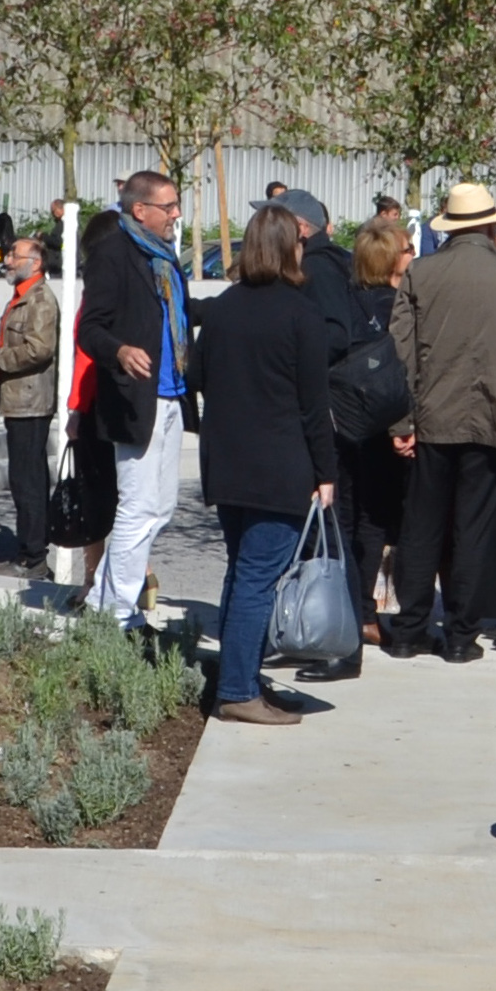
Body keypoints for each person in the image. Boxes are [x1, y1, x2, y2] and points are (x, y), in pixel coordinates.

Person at [177, 207, 341, 718]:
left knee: (241, 572)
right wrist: (327, 472)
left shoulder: (223, 307)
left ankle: (238, 678)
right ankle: (238, 692)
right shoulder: (300, 313)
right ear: (292, 247)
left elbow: (195, 377)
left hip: (227, 461)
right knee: (256, 578)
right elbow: (315, 405)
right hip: (279, 463)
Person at [392, 182, 496, 660]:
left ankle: (408, 631)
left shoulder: (422, 273)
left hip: (432, 417)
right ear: (489, 225)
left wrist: (404, 419)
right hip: (491, 419)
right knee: (473, 529)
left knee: (421, 526)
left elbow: (399, 350)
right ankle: (461, 637)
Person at [74, 172, 195, 630]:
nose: (177, 215)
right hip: (134, 398)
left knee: (160, 508)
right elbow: (90, 328)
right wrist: (120, 351)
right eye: (169, 207)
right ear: (140, 210)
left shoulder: (162, 256)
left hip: (170, 395)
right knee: (137, 507)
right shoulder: (113, 254)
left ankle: (106, 599)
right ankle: (116, 615)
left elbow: (176, 316)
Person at [334, 220, 419, 649]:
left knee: (346, 517)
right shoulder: (400, 309)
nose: (412, 254)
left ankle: (347, 605)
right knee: (374, 520)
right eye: (406, 249)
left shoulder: (343, 303)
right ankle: (366, 611)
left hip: (344, 426)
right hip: (385, 427)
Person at [0, 234, 64, 568]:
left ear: (36, 262)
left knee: (27, 480)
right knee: (27, 477)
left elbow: (39, 349)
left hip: (31, 400)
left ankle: (33, 558)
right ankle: (31, 549)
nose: (8, 260)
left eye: (15, 255)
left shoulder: (40, 299)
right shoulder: (23, 296)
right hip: (19, 398)